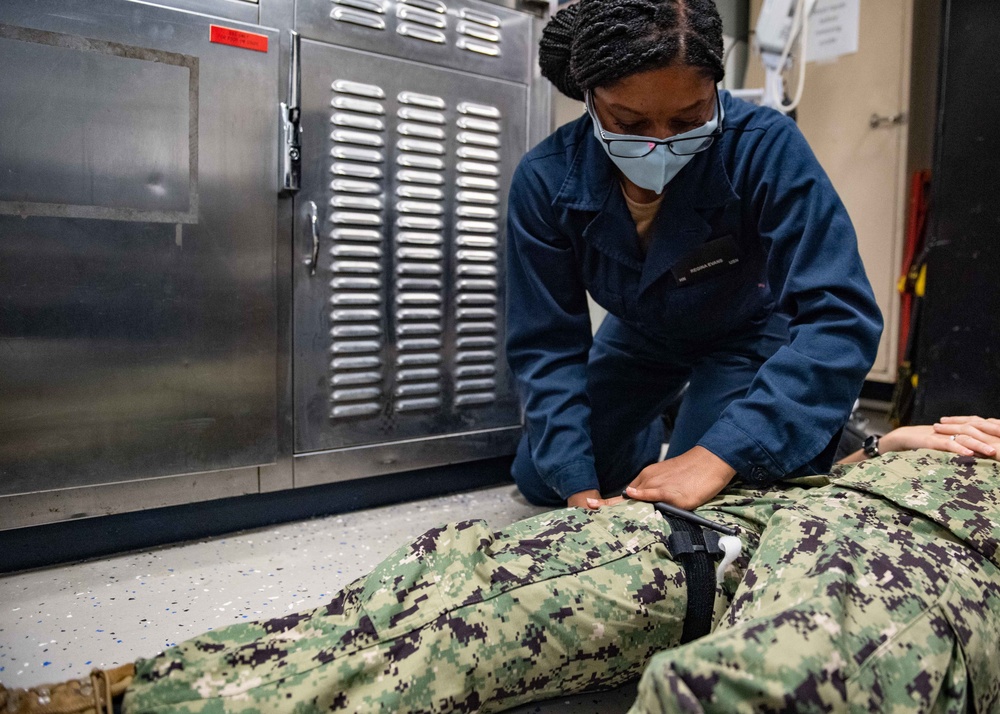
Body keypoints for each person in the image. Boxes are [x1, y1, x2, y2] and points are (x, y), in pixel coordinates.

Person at [3, 417, 999, 714]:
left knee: (762, 688)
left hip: (935, 556)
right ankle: (113, 697)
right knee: (447, 575)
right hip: (794, 511)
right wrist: (884, 446)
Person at [505, 0, 883, 510]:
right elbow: (547, 345)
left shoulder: (766, 146)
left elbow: (840, 317)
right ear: (591, 100)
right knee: (540, 476)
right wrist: (578, 486)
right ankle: (649, 426)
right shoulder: (544, 178)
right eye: (630, 122)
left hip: (747, 329)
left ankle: (820, 430)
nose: (660, 143)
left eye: (688, 120)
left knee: (705, 497)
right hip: (641, 334)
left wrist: (720, 452)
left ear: (714, 92)